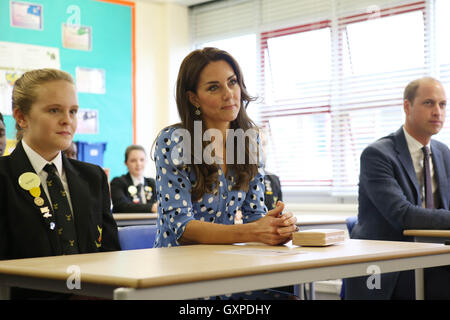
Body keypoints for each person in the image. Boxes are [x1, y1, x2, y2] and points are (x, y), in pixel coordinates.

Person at [152, 48, 298, 299]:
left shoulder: (248, 143)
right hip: (178, 277)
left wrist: (276, 226)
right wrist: (253, 232)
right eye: (213, 87)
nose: (229, 94)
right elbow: (181, 228)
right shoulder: (175, 141)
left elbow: (255, 215)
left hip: (227, 270)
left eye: (232, 82)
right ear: (193, 98)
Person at [0, 68, 121, 299]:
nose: (67, 120)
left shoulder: (93, 176)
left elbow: (110, 252)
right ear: (21, 117)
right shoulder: (4, 176)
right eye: (54, 110)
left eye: (73, 111)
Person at [346, 77, 450, 300]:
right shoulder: (378, 154)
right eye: (429, 103)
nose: (437, 112)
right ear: (407, 106)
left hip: (435, 255)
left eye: (443, 105)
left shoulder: (443, 153)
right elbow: (403, 215)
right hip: (389, 264)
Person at [110, 145, 157, 213]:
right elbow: (121, 206)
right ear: (126, 163)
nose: (138, 164)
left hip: (151, 222)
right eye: (133, 160)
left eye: (142, 160)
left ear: (146, 161)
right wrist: (151, 207)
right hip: (126, 223)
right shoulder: (118, 182)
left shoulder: (152, 182)